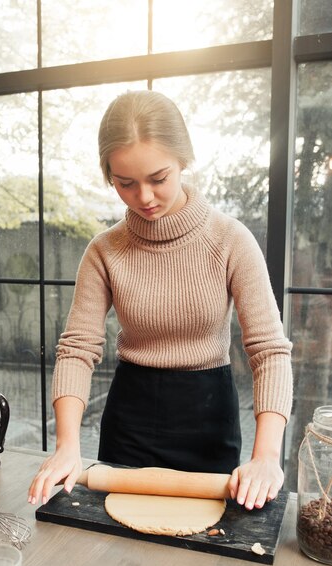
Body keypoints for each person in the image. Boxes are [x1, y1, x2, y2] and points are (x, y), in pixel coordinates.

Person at [28, 90, 292, 511]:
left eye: (158, 178)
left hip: (209, 419)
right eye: (125, 183)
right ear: (109, 175)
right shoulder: (104, 250)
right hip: (130, 418)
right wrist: (66, 445)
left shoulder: (230, 240)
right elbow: (77, 349)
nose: (145, 197)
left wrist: (265, 457)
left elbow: (270, 352)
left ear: (183, 161)